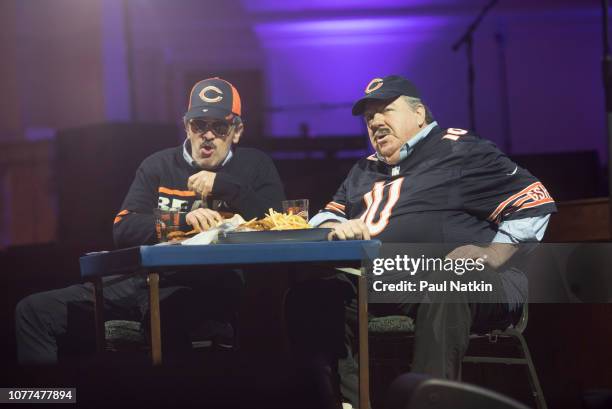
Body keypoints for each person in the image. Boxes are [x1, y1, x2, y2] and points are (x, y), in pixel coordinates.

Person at [285, 75, 556, 408]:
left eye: (386, 110)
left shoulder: (460, 149)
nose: (375, 122)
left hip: (475, 283)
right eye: (369, 116)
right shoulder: (363, 170)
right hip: (389, 281)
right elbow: (327, 215)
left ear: (419, 114)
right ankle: (346, 404)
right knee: (310, 296)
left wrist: (495, 253)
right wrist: (336, 227)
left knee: (450, 280)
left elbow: (535, 202)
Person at [15, 77, 285, 365]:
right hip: (143, 281)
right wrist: (181, 220)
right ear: (186, 127)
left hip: (209, 285)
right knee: (33, 311)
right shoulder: (158, 165)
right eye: (199, 125)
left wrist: (225, 185)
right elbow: (124, 227)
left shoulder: (254, 165)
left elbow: (279, 221)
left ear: (237, 131)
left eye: (219, 127)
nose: (208, 135)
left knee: (170, 313)